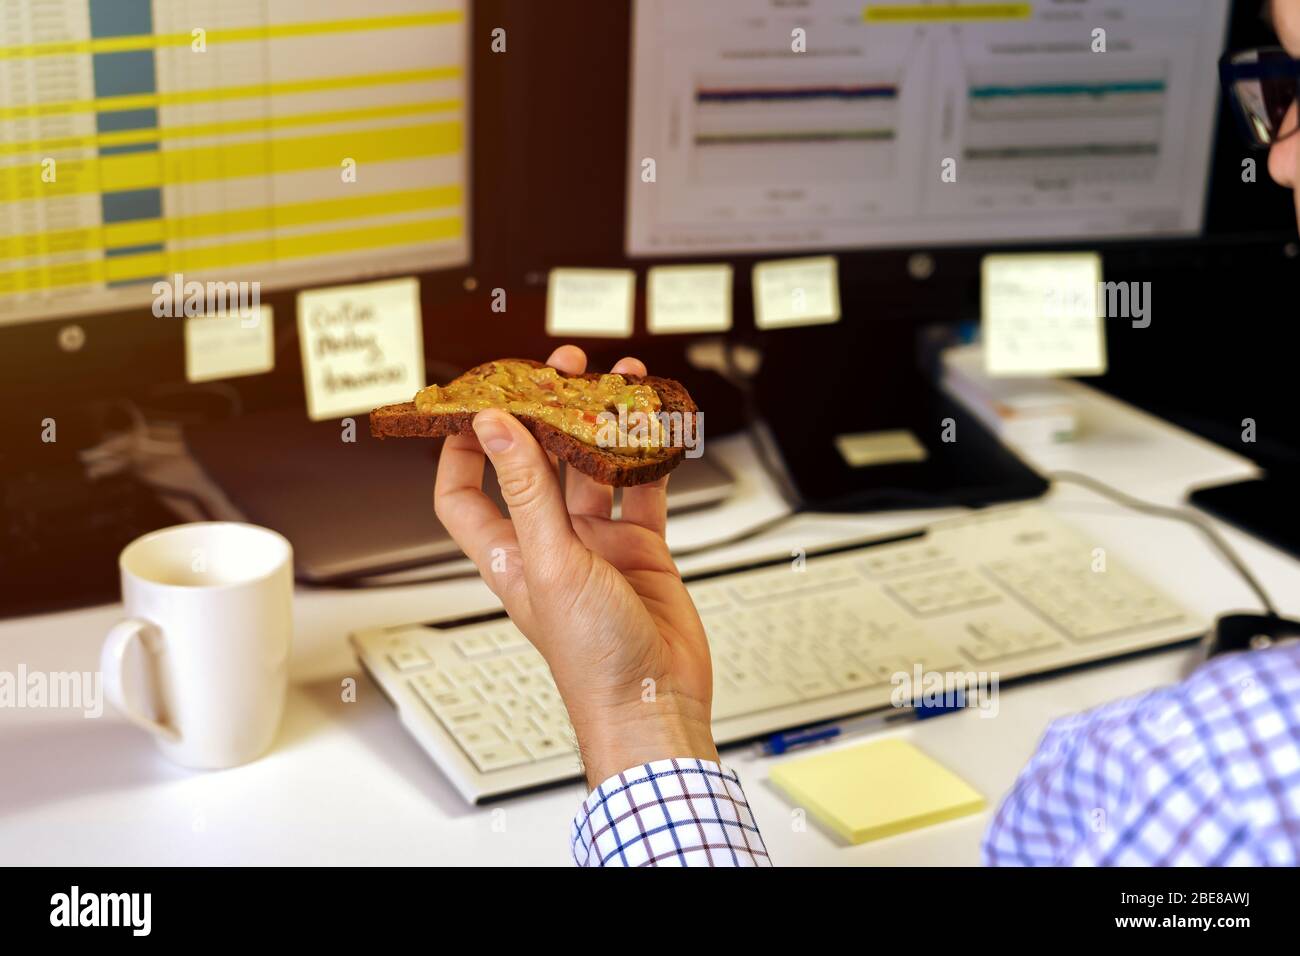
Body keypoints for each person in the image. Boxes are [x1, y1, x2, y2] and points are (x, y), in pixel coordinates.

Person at [436, 0, 1300, 867]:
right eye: (1286, 81)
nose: (1281, 154)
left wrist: (629, 720)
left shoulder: (1195, 783)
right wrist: (643, 700)